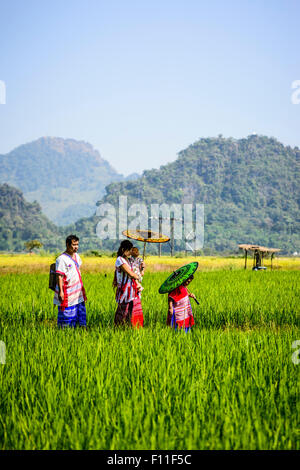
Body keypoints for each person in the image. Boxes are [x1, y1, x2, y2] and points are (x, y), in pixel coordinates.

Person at [53, 234, 87, 328]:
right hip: (67, 292)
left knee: (80, 316)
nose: (76, 247)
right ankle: (66, 334)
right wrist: (61, 292)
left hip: (78, 292)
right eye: (74, 245)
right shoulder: (61, 259)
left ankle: (80, 332)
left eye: (77, 244)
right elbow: (59, 276)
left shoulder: (77, 256)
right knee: (67, 315)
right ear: (67, 245)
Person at [113, 240, 144, 328]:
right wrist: (137, 276)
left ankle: (129, 328)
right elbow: (130, 273)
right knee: (123, 311)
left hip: (131, 290)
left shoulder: (128, 260)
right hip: (124, 290)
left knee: (131, 310)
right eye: (129, 250)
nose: (130, 252)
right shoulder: (120, 260)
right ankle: (118, 328)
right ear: (123, 250)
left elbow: (135, 269)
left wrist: (141, 268)